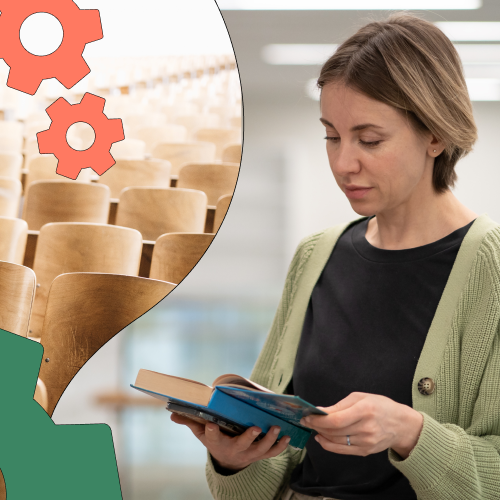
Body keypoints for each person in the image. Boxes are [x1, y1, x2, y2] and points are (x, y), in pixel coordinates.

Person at [171, 12, 500, 500]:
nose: (344, 163)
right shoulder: (314, 256)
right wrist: (233, 459)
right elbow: (267, 467)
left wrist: (410, 433)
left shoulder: (490, 271)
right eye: (332, 136)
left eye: (370, 140)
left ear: (435, 135)